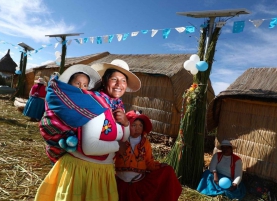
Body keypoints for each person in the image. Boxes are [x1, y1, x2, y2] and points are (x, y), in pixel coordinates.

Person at [35, 60, 141, 201]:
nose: (119, 85)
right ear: (104, 81)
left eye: (123, 81)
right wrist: (117, 146)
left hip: (102, 171)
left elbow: (122, 137)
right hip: (82, 171)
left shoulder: (117, 105)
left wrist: (126, 124)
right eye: (114, 79)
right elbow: (89, 146)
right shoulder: (94, 104)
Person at [115, 110, 182, 201]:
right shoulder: (120, 140)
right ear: (127, 126)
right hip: (119, 184)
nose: (137, 128)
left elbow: (148, 162)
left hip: (137, 185)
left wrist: (159, 166)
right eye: (134, 125)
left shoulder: (145, 143)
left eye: (140, 125)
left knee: (167, 171)